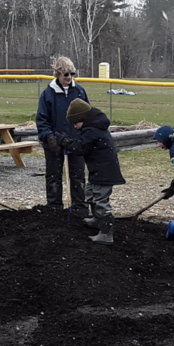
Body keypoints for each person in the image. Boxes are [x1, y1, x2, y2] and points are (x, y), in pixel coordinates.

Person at [54, 99, 125, 245]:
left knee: (100, 201)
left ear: (82, 119)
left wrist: (64, 141)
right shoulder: (93, 126)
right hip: (97, 170)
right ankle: (96, 219)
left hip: (104, 172)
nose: (75, 127)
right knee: (90, 194)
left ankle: (106, 233)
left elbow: (81, 148)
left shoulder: (92, 130)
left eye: (75, 123)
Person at [36, 56, 90, 217]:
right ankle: (54, 211)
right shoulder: (47, 94)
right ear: (58, 74)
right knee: (53, 177)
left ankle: (80, 210)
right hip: (54, 143)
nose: (69, 77)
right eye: (66, 74)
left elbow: (87, 116)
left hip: (76, 142)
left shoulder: (79, 91)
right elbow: (42, 120)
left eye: (72, 74)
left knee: (78, 176)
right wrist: (50, 138)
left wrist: (84, 137)